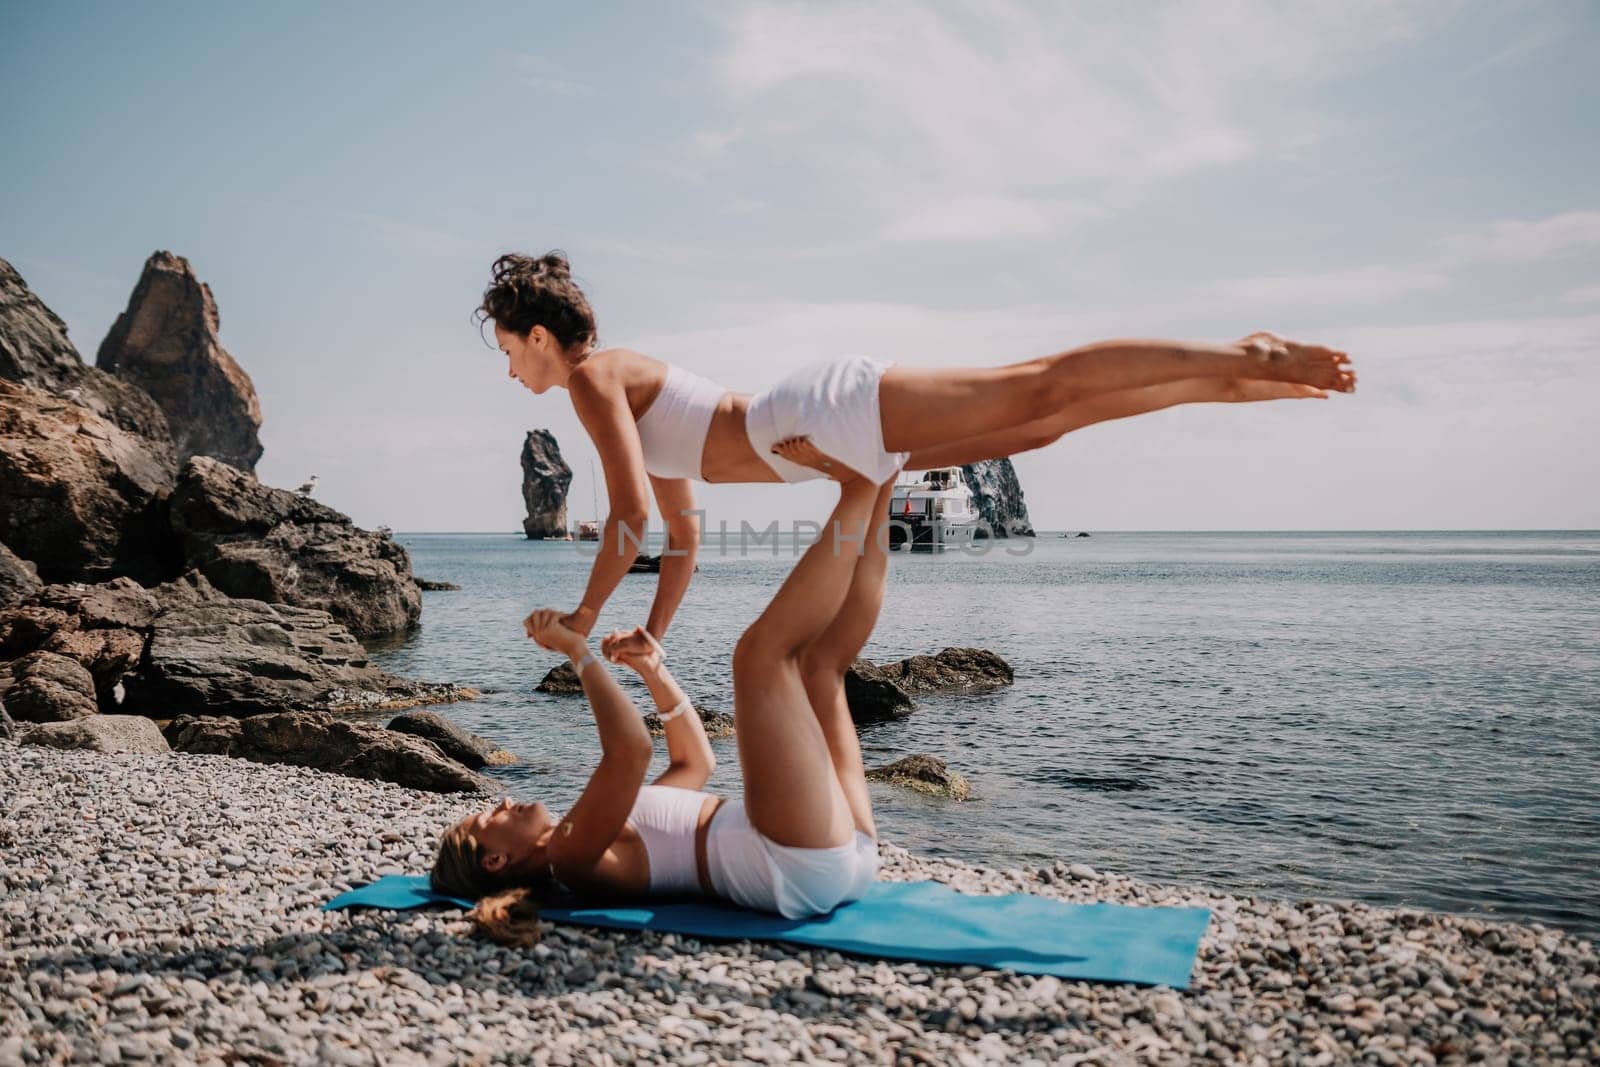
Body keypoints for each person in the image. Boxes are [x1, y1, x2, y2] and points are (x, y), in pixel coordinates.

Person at [476, 252, 1355, 645]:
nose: (512, 371)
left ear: (544, 336)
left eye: (511, 350)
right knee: (1043, 423)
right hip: (825, 434)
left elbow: (628, 518)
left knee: (1037, 383)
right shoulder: (618, 390)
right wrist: (654, 633)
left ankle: (1245, 354)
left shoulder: (595, 382)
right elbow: (682, 535)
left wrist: (584, 618)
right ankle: (1230, 377)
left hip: (825, 410)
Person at [432, 475, 899, 944]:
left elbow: (695, 762)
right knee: (759, 657)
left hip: (832, 857)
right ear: (495, 861)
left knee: (823, 669)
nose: (505, 802)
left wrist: (652, 670)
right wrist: (577, 653)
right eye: (490, 818)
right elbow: (631, 750)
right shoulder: (569, 857)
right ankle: (859, 483)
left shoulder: (595, 829)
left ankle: (882, 477)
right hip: (792, 860)